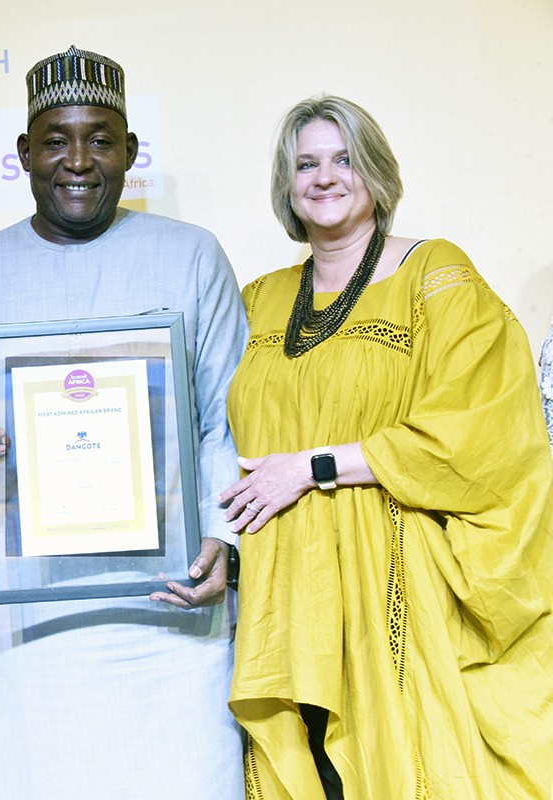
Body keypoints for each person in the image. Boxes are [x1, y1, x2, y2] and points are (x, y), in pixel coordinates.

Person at [0, 46, 246, 798]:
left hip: (166, 610)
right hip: (28, 629)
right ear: (24, 154)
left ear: (131, 151)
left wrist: (222, 544)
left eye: (101, 139)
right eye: (56, 140)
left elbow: (226, 423)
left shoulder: (192, 255)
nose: (78, 160)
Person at [221, 95, 553, 799]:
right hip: (283, 593)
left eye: (344, 158)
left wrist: (314, 468)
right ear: (286, 185)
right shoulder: (256, 301)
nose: (325, 176)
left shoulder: (435, 275)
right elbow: (213, 435)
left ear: (375, 169)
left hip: (397, 587)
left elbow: (481, 430)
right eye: (305, 163)